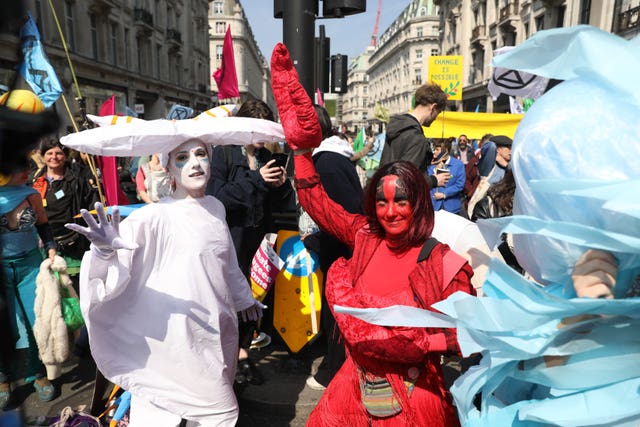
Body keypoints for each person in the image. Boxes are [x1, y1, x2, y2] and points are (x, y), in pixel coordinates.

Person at [271, 43, 475, 426]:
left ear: (420, 202)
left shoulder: (441, 260)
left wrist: (418, 343)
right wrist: (300, 150)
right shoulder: (364, 235)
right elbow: (318, 202)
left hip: (415, 397)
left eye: (402, 201)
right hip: (353, 387)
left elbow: (469, 333)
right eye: (381, 202)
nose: (391, 211)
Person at [65, 138, 267, 427]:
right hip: (174, 335)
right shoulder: (154, 215)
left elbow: (226, 261)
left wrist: (242, 297)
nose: (195, 163)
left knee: (203, 407)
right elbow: (119, 263)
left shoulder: (215, 208)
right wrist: (104, 251)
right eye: (182, 157)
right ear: (169, 168)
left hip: (216, 327)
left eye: (201, 154)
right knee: (201, 411)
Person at [206, 99, 294, 388]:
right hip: (230, 240)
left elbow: (275, 203)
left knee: (252, 301)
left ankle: (243, 354)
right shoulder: (224, 155)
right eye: (254, 132)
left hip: (258, 242)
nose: (259, 139)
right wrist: (257, 179)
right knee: (226, 301)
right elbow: (216, 196)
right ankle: (223, 362)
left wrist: (279, 187)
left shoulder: (266, 154)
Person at [303, 105, 364, 391]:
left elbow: (344, 213)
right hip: (339, 248)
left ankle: (334, 372)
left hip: (340, 251)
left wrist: (317, 239)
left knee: (336, 312)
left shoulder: (326, 162)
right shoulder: (330, 158)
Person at [0, 167, 57, 409]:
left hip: (31, 265)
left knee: (37, 322)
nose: (24, 171)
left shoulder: (31, 194)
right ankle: (4, 380)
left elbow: (43, 224)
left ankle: (38, 373)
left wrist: (52, 248)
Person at [31, 138, 99, 262]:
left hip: (74, 242)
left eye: (58, 153)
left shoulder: (78, 178)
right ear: (43, 156)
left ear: (65, 155)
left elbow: (92, 205)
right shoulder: (35, 179)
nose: (54, 157)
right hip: (44, 242)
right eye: (49, 153)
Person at [380, 83, 450, 189]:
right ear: (433, 107)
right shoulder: (417, 138)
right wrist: (434, 180)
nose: (436, 118)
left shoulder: (398, 127)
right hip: (404, 201)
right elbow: (406, 181)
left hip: (385, 193)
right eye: (438, 113)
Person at [427, 138, 466, 215]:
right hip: (433, 206)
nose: (435, 152)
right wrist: (435, 169)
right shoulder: (430, 164)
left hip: (451, 207)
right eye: (434, 149)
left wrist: (444, 194)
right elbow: (427, 181)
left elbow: (459, 185)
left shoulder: (458, 165)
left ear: (446, 150)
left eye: (437, 149)